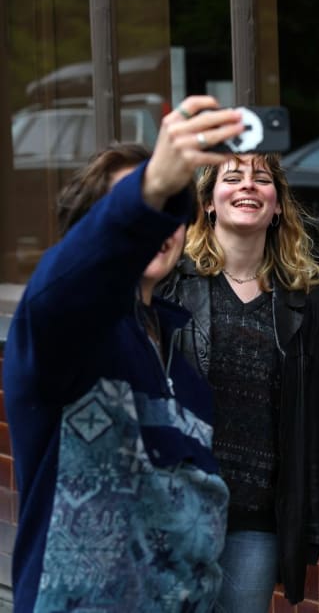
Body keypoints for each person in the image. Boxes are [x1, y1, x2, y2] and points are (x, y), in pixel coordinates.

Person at [3, 95, 246, 612]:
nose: (158, 227)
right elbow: (61, 288)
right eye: (141, 212)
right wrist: (154, 184)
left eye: (166, 213)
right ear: (98, 232)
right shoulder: (63, 335)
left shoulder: (185, 369)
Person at [159, 151, 319, 610]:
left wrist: (309, 525)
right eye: (232, 177)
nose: (248, 186)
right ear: (210, 203)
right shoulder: (171, 286)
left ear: (277, 207)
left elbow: (309, 427)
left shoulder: (301, 306)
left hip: (258, 521)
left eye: (261, 179)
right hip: (180, 511)